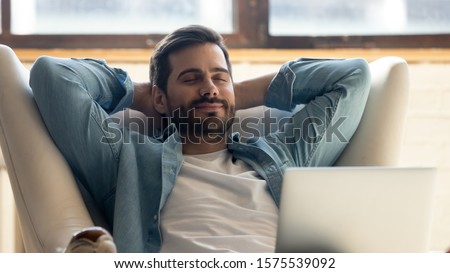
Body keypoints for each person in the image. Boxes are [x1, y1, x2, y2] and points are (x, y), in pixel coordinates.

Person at [29, 25, 370, 253]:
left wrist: (235, 93)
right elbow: (52, 75)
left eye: (219, 77)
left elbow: (353, 76)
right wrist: (142, 95)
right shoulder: (127, 159)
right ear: (160, 98)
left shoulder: (284, 154)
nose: (208, 87)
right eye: (191, 79)